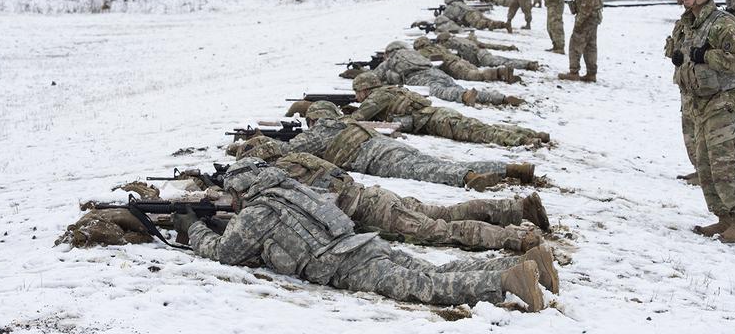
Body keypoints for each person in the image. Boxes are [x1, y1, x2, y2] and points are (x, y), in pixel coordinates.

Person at [178, 158, 555, 310]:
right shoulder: (290, 190)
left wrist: (192, 225)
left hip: (345, 264)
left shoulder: (256, 212)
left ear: (242, 190)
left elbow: (225, 253)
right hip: (361, 244)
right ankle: (524, 262)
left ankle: (508, 280)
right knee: (431, 269)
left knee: (425, 287)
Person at [243, 129, 552, 253]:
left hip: (370, 210)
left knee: (442, 230)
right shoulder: (299, 158)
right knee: (445, 212)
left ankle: (516, 239)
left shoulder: (283, 172)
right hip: (375, 196)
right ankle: (518, 208)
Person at [242, 99, 541, 191]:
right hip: (383, 144)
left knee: (429, 172)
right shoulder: (342, 123)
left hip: (376, 157)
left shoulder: (318, 133)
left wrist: (250, 144)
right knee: (438, 163)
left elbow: (285, 152)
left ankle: (470, 179)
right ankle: (508, 168)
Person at [669, 0, 735, 243]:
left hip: (721, 101)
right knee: (704, 164)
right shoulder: (687, 23)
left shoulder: (722, 24)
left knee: (722, 163)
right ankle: (724, 218)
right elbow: (677, 50)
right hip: (696, 100)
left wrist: (708, 55)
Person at [351, 73, 550, 149]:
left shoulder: (376, 97)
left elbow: (357, 119)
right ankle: (531, 133)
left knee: (478, 132)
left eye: (357, 92)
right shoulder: (389, 90)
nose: (356, 97)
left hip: (434, 120)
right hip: (436, 114)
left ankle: (524, 140)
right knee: (479, 127)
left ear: (365, 89)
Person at [374, 40, 522, 106]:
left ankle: (464, 97)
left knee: (442, 92)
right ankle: (499, 98)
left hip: (419, 78)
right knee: (457, 87)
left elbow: (374, 77)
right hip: (437, 72)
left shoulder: (393, 58)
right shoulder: (415, 54)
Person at [664, 0, 699, 186]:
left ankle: (708, 173)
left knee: (704, 134)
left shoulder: (710, 21)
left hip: (701, 87)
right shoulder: (685, 20)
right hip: (686, 85)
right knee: (690, 131)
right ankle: (700, 169)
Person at [558, 0, 603, 82]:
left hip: (587, 18)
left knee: (575, 43)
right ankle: (591, 73)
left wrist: (579, 21)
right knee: (590, 46)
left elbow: (587, 4)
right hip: (592, 18)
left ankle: (574, 72)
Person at [412, 36, 519, 83]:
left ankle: (500, 72)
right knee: (479, 73)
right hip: (460, 61)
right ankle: (502, 75)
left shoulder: (422, 52)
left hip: (453, 66)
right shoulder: (438, 46)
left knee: (477, 76)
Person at [435, 31, 538, 71]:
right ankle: (528, 63)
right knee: (503, 60)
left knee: (503, 62)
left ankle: (528, 65)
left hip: (481, 57)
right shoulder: (460, 39)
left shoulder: (451, 42)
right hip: (481, 54)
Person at [441, 0, 510, 31]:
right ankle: (503, 24)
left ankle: (504, 25)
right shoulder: (459, 3)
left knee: (480, 24)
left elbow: (444, 18)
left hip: (468, 14)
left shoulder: (450, 7)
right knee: (488, 20)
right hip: (475, 11)